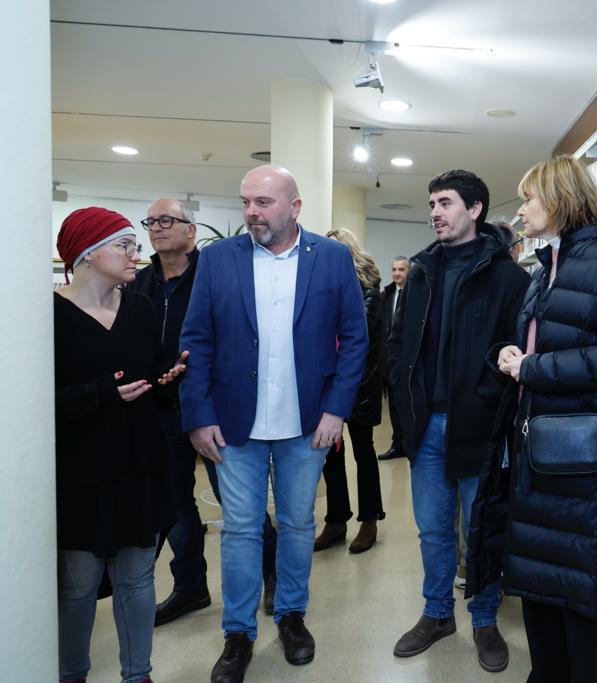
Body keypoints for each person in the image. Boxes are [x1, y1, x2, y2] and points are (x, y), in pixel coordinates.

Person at [475, 155, 597, 682]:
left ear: (559, 200)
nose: (522, 209)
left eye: (529, 198)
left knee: (588, 609)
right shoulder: (543, 271)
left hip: (589, 471)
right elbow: (550, 347)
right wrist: (514, 356)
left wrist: (533, 367)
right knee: (542, 601)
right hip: (539, 461)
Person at [179, 164, 368, 682]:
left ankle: (290, 616)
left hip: (307, 425)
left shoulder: (330, 259)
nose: (251, 212)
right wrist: (198, 416)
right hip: (233, 424)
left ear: (295, 207)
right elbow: (195, 339)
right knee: (240, 530)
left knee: (297, 524)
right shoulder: (219, 259)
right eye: (246, 202)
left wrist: (336, 410)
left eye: (263, 202)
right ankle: (237, 633)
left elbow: (354, 338)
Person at [387, 169, 530, 673]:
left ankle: (485, 618)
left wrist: (490, 398)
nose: (434, 213)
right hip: (427, 424)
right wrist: (404, 403)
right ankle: (437, 612)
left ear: (475, 209)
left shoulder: (511, 278)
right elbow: (399, 342)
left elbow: (518, 352)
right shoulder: (422, 271)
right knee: (431, 529)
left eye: (445, 202)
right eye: (431, 203)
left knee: (482, 526)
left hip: (481, 424)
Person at [128, 198, 278, 626]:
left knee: (239, 503)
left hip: (213, 407)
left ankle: (273, 575)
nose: (157, 228)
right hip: (159, 409)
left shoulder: (217, 273)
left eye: (167, 220)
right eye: (151, 221)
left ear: (191, 230)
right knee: (176, 506)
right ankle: (190, 587)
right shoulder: (141, 284)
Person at [53, 207, 187, 683]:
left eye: (136, 244)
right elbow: (39, 404)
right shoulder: (50, 316)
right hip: (82, 472)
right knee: (78, 586)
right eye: (125, 245)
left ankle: (138, 675)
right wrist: (102, 395)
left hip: (139, 462)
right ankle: (72, 674)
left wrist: (168, 378)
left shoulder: (140, 309)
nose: (138, 254)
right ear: (87, 255)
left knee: (137, 579)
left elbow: (150, 373)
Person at [314, 228, 386, 553]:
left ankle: (369, 520)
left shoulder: (369, 290)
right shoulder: (322, 287)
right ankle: (336, 519)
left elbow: (362, 341)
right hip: (328, 383)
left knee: (363, 450)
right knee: (330, 452)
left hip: (361, 384)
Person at [378, 255, 409, 461]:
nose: (397, 273)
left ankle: (410, 443)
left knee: (407, 404)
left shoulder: (416, 294)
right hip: (388, 360)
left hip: (407, 361)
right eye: (394, 269)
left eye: (402, 270)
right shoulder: (386, 296)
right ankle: (398, 445)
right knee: (394, 407)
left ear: (409, 272)